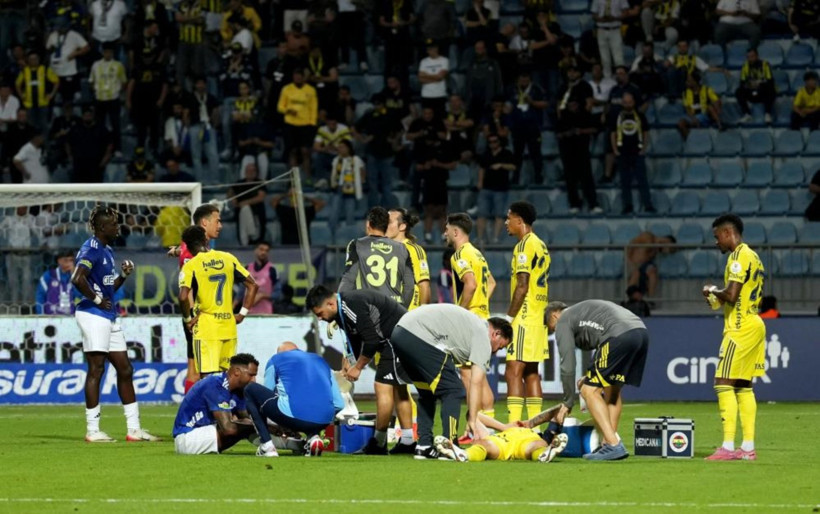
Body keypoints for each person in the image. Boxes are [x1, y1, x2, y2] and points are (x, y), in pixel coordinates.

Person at [71, 205, 160, 443]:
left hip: (108, 316)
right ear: (102, 227)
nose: (118, 227)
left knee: (125, 369)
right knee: (96, 369)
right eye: (113, 224)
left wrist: (123, 276)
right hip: (92, 314)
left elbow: (108, 288)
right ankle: (92, 430)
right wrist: (98, 300)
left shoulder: (107, 250)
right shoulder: (90, 249)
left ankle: (134, 429)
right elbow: (76, 279)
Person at [387, 304, 512, 458]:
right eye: (499, 347)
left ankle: (424, 445)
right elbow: (476, 382)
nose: (495, 351)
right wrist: (472, 420)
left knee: (427, 393)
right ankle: (450, 445)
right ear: (496, 333)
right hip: (420, 336)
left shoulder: (473, 325)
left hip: (400, 333)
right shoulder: (483, 336)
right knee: (454, 390)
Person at [306, 285, 414, 456]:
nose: (320, 319)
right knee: (398, 389)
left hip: (396, 338)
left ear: (330, 304)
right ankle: (408, 441)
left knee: (382, 386)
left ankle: (378, 444)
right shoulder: (341, 310)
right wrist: (351, 361)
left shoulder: (351, 304)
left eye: (320, 314)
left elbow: (371, 341)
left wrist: (358, 367)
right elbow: (356, 337)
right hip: (398, 337)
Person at [546, 299, 649, 460]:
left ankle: (613, 445)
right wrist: (588, 377)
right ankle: (607, 444)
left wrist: (568, 401)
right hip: (640, 333)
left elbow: (568, 365)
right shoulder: (582, 312)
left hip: (617, 336)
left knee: (589, 390)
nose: (553, 331)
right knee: (612, 390)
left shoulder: (564, 320)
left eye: (550, 328)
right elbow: (599, 352)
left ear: (554, 316)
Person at [701, 213, 765, 461]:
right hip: (754, 323)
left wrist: (713, 289)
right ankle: (747, 447)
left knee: (723, 382)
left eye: (717, 237)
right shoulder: (754, 256)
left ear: (728, 233)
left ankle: (728, 446)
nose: (716, 242)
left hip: (740, 329)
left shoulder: (739, 257)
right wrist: (714, 297)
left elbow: (731, 295)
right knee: (743, 387)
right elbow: (727, 299)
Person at [444, 212, 497, 442]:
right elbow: (491, 283)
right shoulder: (477, 254)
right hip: (483, 318)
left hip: (470, 320)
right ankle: (490, 427)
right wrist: (481, 305)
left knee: (468, 377)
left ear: (456, 232)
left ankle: (476, 427)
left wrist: (461, 312)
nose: (444, 233)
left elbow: (471, 284)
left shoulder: (460, 255)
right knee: (479, 377)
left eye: (447, 229)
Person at [178, 225, 259, 377]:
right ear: (205, 239)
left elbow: (183, 297)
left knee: (206, 380)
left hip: (206, 328)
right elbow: (253, 285)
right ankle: (227, 402)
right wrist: (241, 314)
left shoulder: (190, 266)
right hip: (228, 327)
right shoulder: (228, 258)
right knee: (228, 378)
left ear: (187, 246)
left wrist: (187, 319)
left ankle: (212, 402)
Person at [244, 342, 344, 457]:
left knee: (250, 389)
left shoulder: (275, 359)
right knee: (312, 407)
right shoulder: (322, 362)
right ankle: (313, 438)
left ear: (280, 353)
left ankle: (266, 446)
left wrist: (278, 423)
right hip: (324, 421)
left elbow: (266, 395)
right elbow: (339, 404)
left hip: (292, 416)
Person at [504, 201, 550, 423]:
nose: (506, 222)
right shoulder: (541, 244)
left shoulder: (523, 246)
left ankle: (514, 426)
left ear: (519, 220)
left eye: (509, 217)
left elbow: (522, 286)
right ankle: (534, 428)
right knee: (531, 371)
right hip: (538, 315)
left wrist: (508, 319)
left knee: (513, 371)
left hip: (524, 316)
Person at [174, 203, 223, 393]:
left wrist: (177, 250)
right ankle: (192, 415)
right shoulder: (190, 252)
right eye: (217, 221)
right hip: (198, 317)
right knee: (195, 370)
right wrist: (193, 317)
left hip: (205, 315)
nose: (220, 225)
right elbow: (188, 289)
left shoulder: (194, 248)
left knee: (204, 368)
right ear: (205, 222)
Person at [172, 353, 258, 455]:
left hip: (203, 434)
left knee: (245, 424)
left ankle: (269, 445)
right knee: (235, 425)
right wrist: (263, 427)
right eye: (251, 375)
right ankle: (267, 445)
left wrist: (268, 426)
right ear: (237, 372)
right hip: (187, 438)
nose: (254, 380)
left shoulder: (239, 389)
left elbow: (247, 417)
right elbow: (228, 429)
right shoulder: (215, 385)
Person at [339, 206, 415, 308]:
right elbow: (409, 287)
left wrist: (339, 308)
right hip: (393, 310)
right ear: (386, 226)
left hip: (367, 309)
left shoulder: (356, 245)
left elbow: (348, 279)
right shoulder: (403, 249)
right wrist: (401, 309)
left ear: (368, 224)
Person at [435, 407, 569, 463]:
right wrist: (503, 427)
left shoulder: (535, 433)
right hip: (502, 441)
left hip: (527, 441)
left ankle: (545, 453)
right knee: (485, 443)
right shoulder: (501, 432)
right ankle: (463, 454)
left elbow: (559, 409)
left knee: (537, 445)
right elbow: (472, 413)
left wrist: (531, 423)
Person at [611, 92, 654, 214]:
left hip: (637, 152)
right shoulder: (617, 116)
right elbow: (612, 133)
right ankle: (627, 205)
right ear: (622, 103)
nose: (628, 105)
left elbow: (646, 132)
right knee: (625, 182)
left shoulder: (640, 116)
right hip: (622, 153)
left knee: (642, 181)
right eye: (625, 102)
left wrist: (643, 149)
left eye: (630, 102)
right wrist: (615, 150)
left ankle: (648, 204)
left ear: (634, 102)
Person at [556, 97, 600, 214]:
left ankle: (593, 204)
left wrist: (580, 131)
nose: (572, 106)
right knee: (570, 180)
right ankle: (574, 204)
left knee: (587, 178)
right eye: (570, 104)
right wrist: (569, 133)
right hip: (568, 153)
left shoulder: (585, 115)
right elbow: (559, 134)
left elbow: (594, 129)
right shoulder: (563, 118)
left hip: (582, 152)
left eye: (575, 104)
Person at [277, 68, 318, 183]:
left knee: (305, 151)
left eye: (300, 75)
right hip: (290, 124)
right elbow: (280, 107)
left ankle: (308, 178)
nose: (298, 78)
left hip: (306, 125)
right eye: (296, 75)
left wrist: (312, 125)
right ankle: (293, 179)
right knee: (293, 151)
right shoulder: (286, 89)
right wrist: (288, 110)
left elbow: (313, 108)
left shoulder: (310, 90)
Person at [386, 207, 431, 310]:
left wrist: (422, 314)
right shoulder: (384, 249)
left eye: (388, 222)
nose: (384, 226)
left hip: (408, 314)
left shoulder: (414, 250)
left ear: (402, 226)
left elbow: (424, 285)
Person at [508, 71, 547, 185]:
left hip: (533, 126)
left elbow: (545, 104)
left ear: (530, 80)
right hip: (518, 127)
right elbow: (507, 105)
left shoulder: (537, 89)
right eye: (521, 79)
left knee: (535, 153)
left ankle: (538, 178)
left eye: (526, 79)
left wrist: (532, 102)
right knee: (517, 154)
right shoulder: (512, 89)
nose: (523, 82)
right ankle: (515, 178)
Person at [476, 134, 516, 243]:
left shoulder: (506, 153)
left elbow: (513, 166)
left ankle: (495, 238)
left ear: (499, 142)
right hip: (486, 188)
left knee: (499, 214)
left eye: (495, 141)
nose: (493, 144)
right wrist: (480, 182)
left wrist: (501, 165)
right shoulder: (486, 154)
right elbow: (482, 168)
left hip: (501, 189)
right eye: (490, 142)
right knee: (482, 214)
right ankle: (480, 238)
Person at [89, 42, 127, 154]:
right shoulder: (96, 65)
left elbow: (124, 81)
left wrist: (117, 92)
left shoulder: (118, 65)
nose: (108, 54)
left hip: (113, 99)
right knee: (99, 125)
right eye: (106, 52)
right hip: (100, 99)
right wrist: (96, 91)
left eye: (110, 52)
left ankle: (118, 148)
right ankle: (100, 147)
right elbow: (91, 81)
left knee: (115, 124)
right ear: (103, 52)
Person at [46, 17, 89, 103]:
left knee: (68, 99)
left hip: (68, 71)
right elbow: (47, 48)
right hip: (54, 70)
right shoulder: (53, 35)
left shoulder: (74, 35)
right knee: (54, 99)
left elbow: (86, 47)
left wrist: (75, 53)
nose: (59, 29)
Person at [67, 105, 114, 183]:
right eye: (86, 115)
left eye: (89, 115)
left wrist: (105, 159)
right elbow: (68, 142)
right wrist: (70, 157)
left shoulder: (101, 129)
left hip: (96, 166)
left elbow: (109, 145)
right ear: (82, 116)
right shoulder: (76, 129)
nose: (88, 117)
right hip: (79, 166)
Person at [15, 51, 59, 132]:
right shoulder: (24, 71)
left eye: (35, 59)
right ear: (28, 60)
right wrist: (21, 95)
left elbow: (56, 81)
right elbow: (17, 84)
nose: (33, 61)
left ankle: (45, 144)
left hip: (43, 103)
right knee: (30, 127)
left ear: (38, 59)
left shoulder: (45, 69)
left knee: (44, 126)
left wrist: (52, 94)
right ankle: (32, 144)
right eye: (31, 59)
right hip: (29, 104)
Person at [227, 161, 267, 245]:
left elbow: (261, 197)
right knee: (244, 211)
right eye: (248, 170)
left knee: (245, 209)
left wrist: (245, 203)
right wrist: (233, 199)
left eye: (253, 170)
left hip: (255, 212)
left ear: (256, 172)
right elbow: (230, 192)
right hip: (240, 212)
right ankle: (245, 240)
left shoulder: (259, 183)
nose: (251, 172)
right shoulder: (239, 183)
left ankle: (252, 234)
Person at [627, 231, 676, 297]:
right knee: (636, 274)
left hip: (642, 266)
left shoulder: (655, 251)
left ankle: (651, 299)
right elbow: (632, 245)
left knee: (652, 272)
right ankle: (629, 297)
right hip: (632, 263)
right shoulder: (648, 236)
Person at [329, 140, 365, 229]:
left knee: (350, 210)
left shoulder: (356, 159)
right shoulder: (336, 159)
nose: (340, 149)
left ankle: (350, 230)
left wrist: (361, 182)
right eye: (339, 147)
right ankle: (333, 229)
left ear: (348, 148)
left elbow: (362, 171)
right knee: (335, 209)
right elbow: (333, 173)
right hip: (338, 187)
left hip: (351, 188)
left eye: (342, 147)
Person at [736, 48, 775, 125]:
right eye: (748, 57)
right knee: (739, 91)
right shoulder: (745, 66)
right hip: (751, 91)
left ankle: (767, 114)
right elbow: (742, 82)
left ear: (757, 56)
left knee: (770, 89)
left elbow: (770, 81)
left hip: (762, 92)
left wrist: (758, 83)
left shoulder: (765, 65)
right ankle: (747, 114)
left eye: (752, 56)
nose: (750, 59)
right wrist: (751, 85)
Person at [678, 71, 723, 138]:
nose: (686, 82)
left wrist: (717, 107)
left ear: (695, 82)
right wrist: (693, 118)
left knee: (710, 107)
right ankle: (689, 140)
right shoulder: (685, 93)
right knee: (681, 123)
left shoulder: (706, 89)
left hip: (704, 114)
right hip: (692, 116)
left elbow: (716, 100)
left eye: (689, 80)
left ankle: (720, 124)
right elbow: (687, 109)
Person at [591, 0, 628, 77]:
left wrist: (615, 18)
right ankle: (607, 78)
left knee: (618, 56)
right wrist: (603, 19)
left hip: (615, 29)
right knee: (604, 58)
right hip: (601, 29)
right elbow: (594, 14)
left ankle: (620, 77)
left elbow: (625, 12)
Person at [36, 250, 76, 315]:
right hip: (50, 318)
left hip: (71, 317)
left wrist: (74, 276)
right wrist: (41, 316)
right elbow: (40, 297)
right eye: (66, 260)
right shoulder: (49, 276)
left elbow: (79, 297)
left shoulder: (76, 278)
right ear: (59, 261)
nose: (69, 263)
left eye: (71, 260)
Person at [418, 40, 450, 119]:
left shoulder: (444, 60)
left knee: (440, 117)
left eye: (432, 48)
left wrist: (426, 75)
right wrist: (435, 78)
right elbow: (421, 79)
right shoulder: (423, 61)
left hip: (440, 94)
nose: (430, 51)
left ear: (436, 49)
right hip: (426, 94)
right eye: (428, 49)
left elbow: (440, 77)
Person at [245, 241, 277, 315]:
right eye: (261, 249)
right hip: (248, 314)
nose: (264, 252)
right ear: (255, 250)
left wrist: (262, 296)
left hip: (266, 314)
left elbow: (278, 294)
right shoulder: (247, 268)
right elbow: (241, 291)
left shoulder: (272, 269)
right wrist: (233, 306)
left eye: (266, 250)